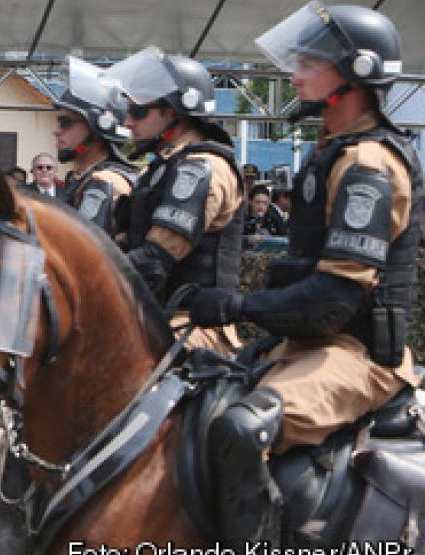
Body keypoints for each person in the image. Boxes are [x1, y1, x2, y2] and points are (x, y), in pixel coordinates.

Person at [188, 3, 422, 543]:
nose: (294, 75)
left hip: (357, 356)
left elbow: (335, 300)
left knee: (239, 429)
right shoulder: (328, 153)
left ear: (357, 73)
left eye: (310, 63)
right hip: (305, 346)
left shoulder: (368, 164)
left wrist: (235, 306)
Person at [110, 47, 244, 356]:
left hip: (193, 328)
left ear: (174, 112)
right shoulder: (161, 169)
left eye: (139, 111)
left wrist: (88, 281)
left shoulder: (200, 168)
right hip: (155, 318)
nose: (128, 122)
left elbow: (156, 260)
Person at [53, 58, 138, 235]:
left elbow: (82, 251)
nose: (56, 131)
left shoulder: (104, 182)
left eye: (65, 123)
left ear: (96, 128)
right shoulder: (82, 178)